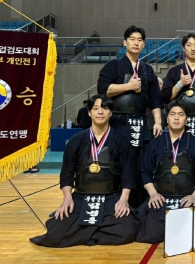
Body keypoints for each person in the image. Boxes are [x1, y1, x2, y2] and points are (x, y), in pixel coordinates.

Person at [30, 95, 139, 247]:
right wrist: (67, 199)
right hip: (81, 197)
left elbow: (128, 173)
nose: (100, 112)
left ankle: (83, 233)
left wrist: (123, 200)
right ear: (89, 113)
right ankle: (93, 232)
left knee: (126, 230)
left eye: (105, 108)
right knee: (55, 232)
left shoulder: (121, 140)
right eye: (95, 108)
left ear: (111, 113)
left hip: (111, 197)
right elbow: (67, 173)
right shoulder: (76, 140)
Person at [97, 26, 164, 208]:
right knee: (117, 163)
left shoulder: (148, 70)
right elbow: (103, 89)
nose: (136, 43)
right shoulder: (113, 65)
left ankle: (139, 207)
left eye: (140, 40)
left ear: (144, 44)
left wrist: (158, 122)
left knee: (141, 165)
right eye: (132, 39)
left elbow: (155, 100)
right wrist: (128, 86)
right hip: (118, 123)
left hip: (141, 124)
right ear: (125, 42)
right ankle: (116, 205)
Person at [136, 100, 195, 243]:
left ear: (186, 119)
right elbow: (145, 171)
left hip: (188, 200)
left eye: (181, 114)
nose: (176, 118)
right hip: (161, 200)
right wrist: (153, 194)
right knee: (151, 233)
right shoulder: (155, 144)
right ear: (167, 119)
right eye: (172, 114)